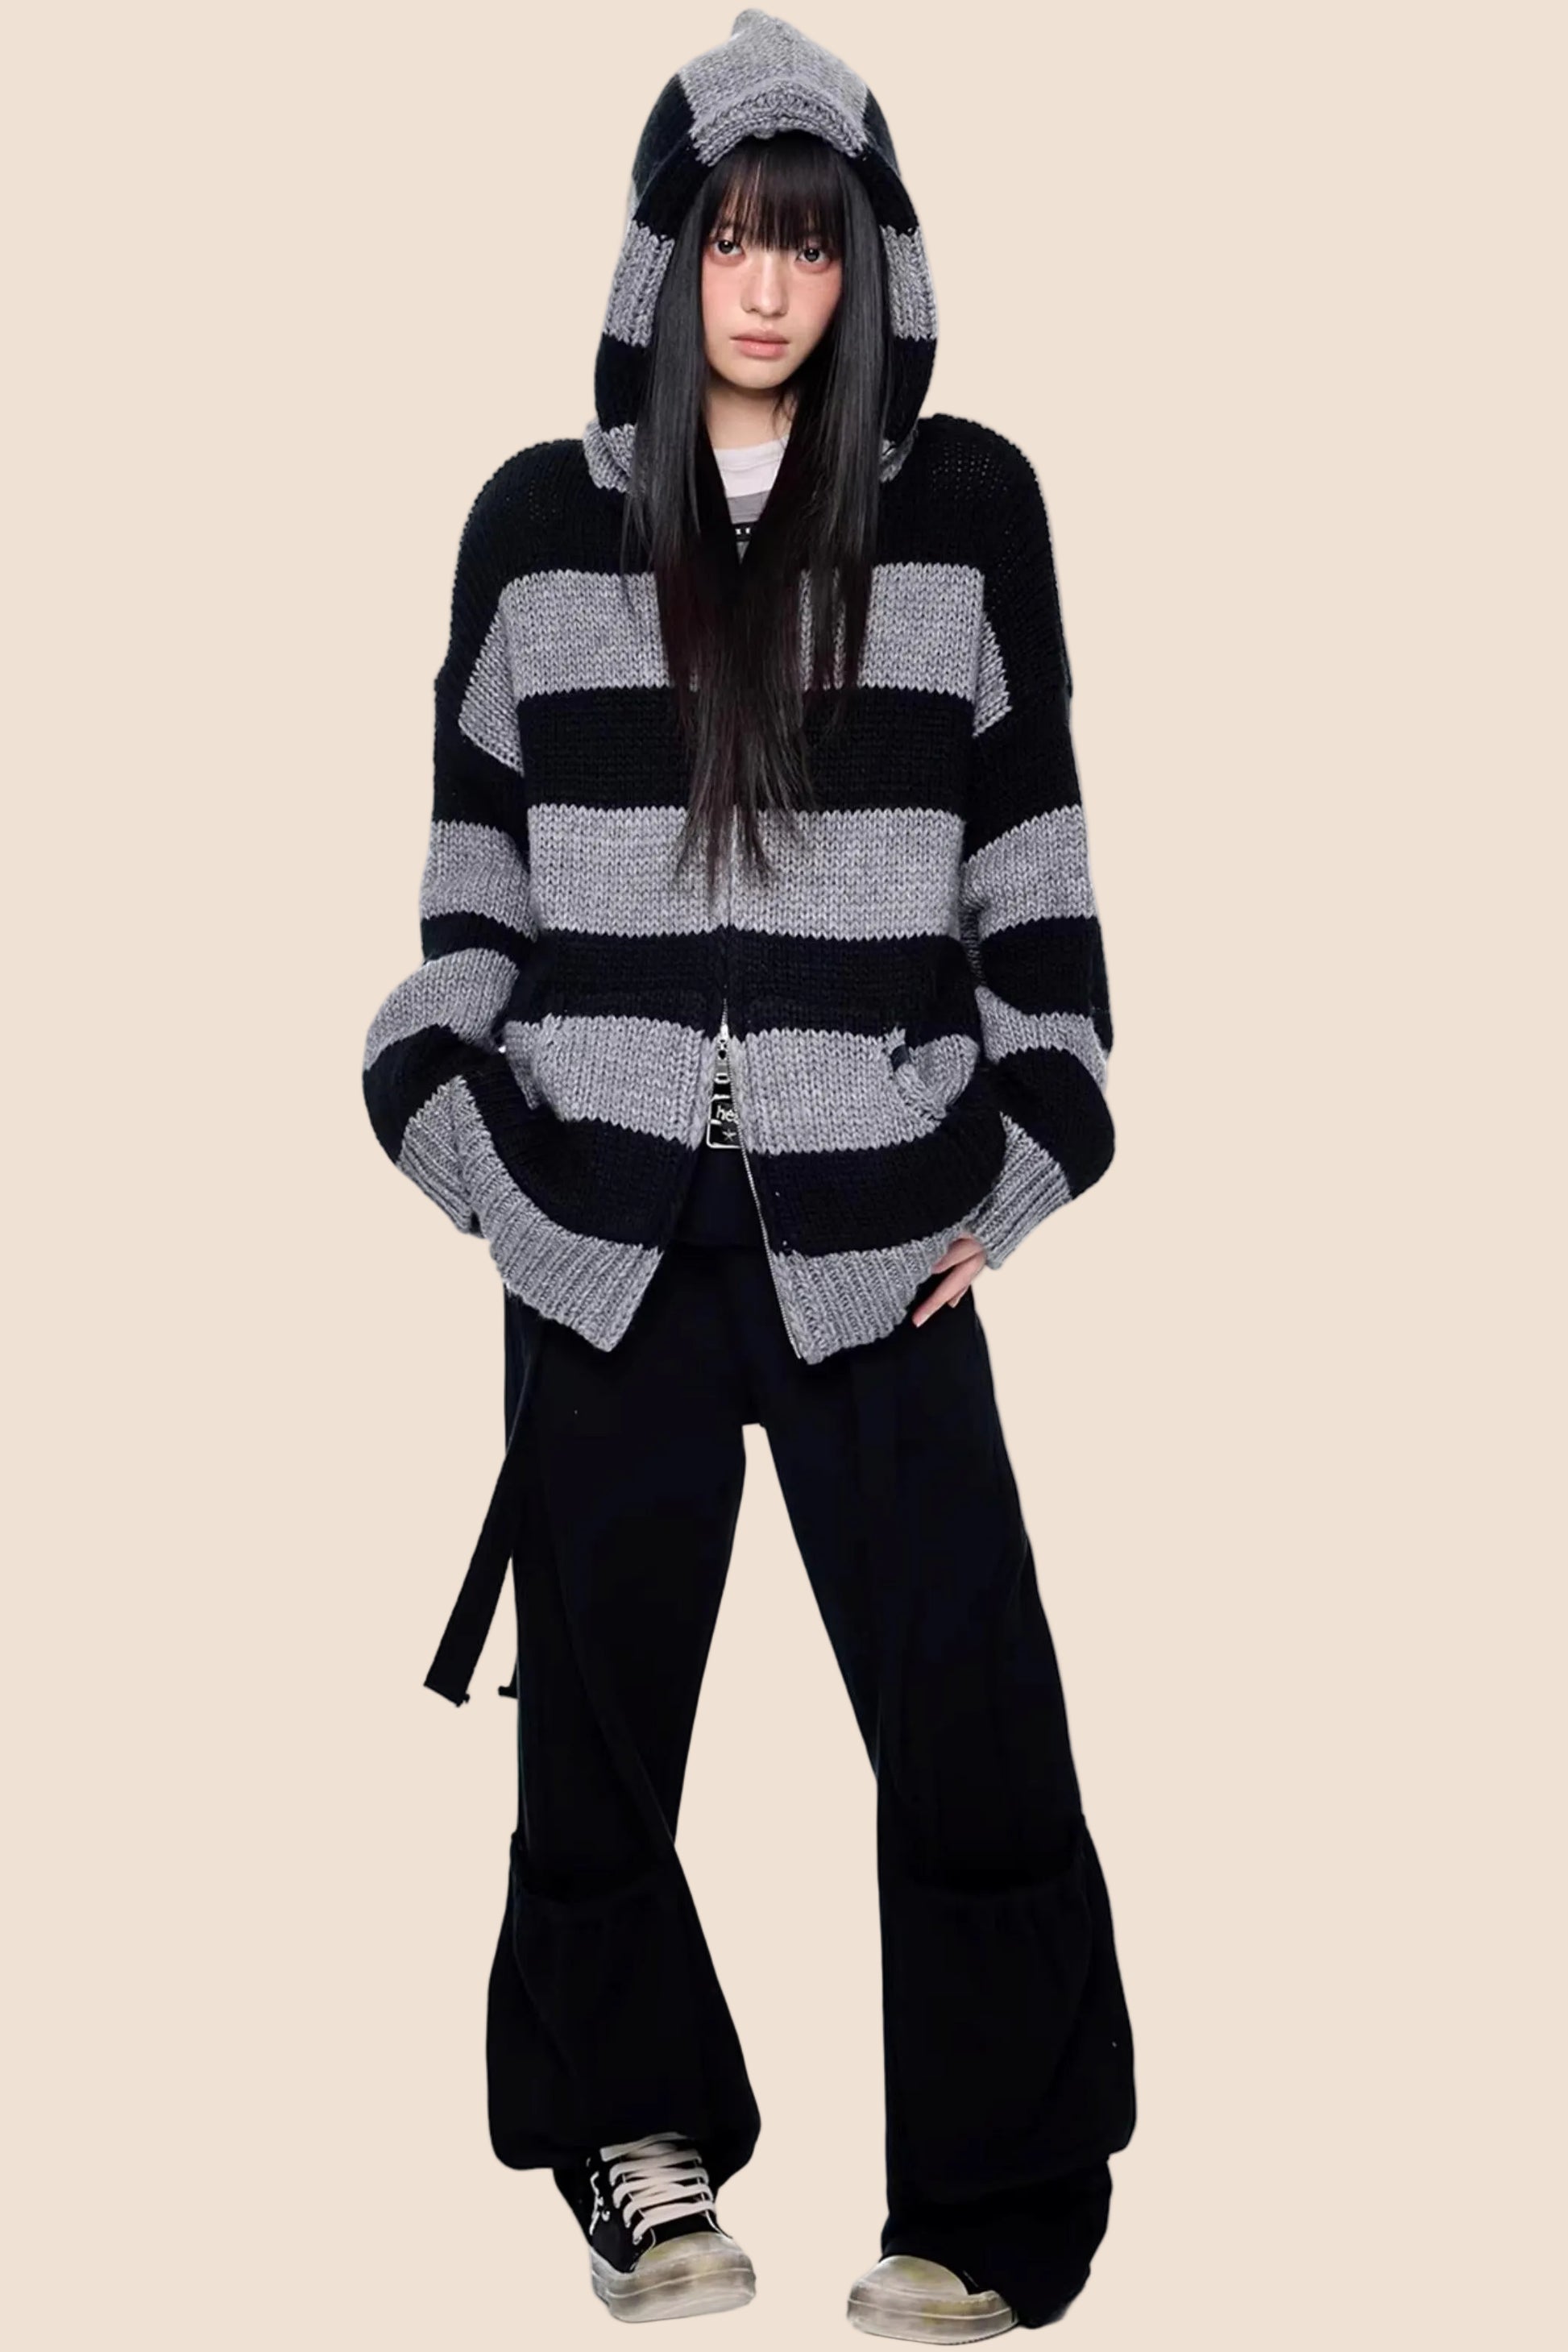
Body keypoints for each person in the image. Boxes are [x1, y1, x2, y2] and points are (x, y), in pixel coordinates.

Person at [361, 10, 1136, 2339]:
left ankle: (992, 2204)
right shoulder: (536, 525)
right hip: (596, 1232)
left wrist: (1021, 1157)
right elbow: (466, 903)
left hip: (884, 1232)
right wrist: (487, 1166)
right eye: (730, 238)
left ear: (869, 262)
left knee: (968, 1703)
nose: (770, 286)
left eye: (813, 243)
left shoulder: (964, 512)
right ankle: (638, 2146)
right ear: (661, 253)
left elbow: (1034, 876)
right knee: (597, 1725)